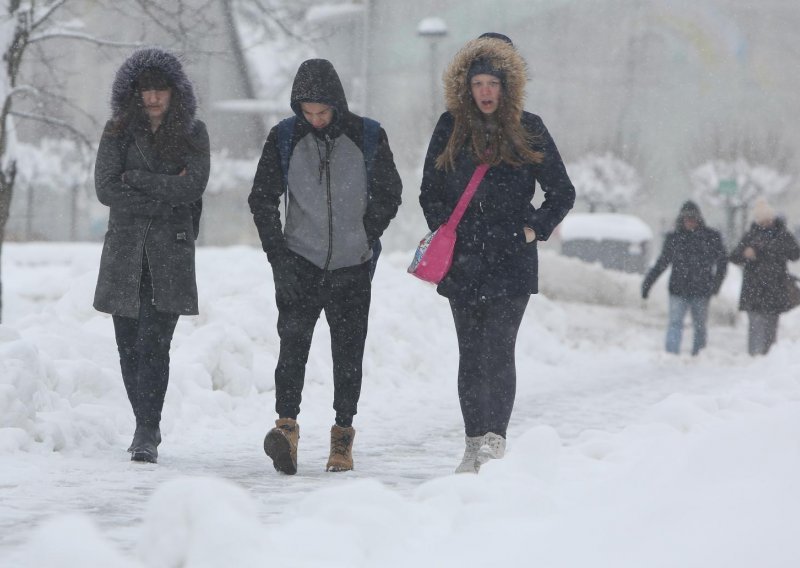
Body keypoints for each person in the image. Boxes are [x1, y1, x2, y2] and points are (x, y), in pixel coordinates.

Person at [419, 33, 575, 474]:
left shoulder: (529, 127)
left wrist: (533, 230)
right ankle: (472, 443)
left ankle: (494, 440)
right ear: (466, 87)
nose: (486, 92)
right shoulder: (450, 127)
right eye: (478, 83)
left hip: (511, 260)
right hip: (463, 262)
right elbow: (429, 192)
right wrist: (448, 233)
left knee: (498, 350)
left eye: (494, 83)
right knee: (470, 353)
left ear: (508, 86)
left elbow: (562, 191)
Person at [248, 59, 402, 475]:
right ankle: (286, 430)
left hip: (353, 266)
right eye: (307, 112)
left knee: (348, 355)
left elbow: (391, 191)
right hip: (299, 263)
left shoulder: (367, 135)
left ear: (337, 105)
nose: (314, 120)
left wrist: (366, 232)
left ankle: (342, 438)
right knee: (292, 348)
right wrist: (277, 252)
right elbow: (261, 197)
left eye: (322, 112)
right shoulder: (284, 137)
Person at [93, 48, 210, 463]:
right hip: (125, 250)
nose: (154, 98)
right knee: (128, 346)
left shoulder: (194, 133)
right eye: (146, 90)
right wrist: (163, 192)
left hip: (171, 252)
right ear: (133, 93)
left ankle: (147, 430)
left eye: (161, 89)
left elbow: (192, 187)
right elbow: (106, 188)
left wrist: (137, 179)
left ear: (175, 92)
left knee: (154, 342)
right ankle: (144, 420)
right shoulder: (116, 131)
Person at [641, 201, 727, 356]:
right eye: (686, 219)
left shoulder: (711, 237)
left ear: (698, 219)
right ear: (681, 219)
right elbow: (662, 263)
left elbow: (722, 263)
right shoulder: (674, 238)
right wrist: (648, 283)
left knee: (700, 326)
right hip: (678, 290)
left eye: (692, 218)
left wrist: (716, 285)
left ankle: (699, 355)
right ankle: (671, 355)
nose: (689, 222)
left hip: (701, 290)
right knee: (675, 323)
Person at [730, 198, 800, 356]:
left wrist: (777, 248)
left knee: (770, 327)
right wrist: (745, 254)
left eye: (768, 218)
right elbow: (734, 256)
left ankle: (769, 359)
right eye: (762, 219)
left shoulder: (782, 235)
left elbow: (795, 254)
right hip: (754, 288)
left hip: (775, 287)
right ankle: (754, 357)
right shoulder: (750, 236)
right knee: (755, 325)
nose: (766, 222)